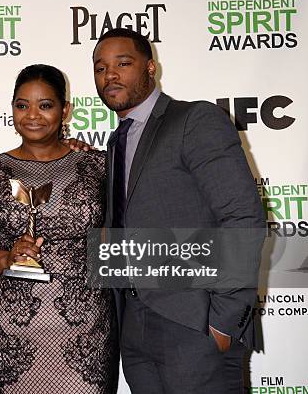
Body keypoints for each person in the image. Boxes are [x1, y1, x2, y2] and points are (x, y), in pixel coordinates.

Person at [93, 28, 265, 393]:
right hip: (134, 327)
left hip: (194, 325)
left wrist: (222, 322)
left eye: (123, 63)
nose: (110, 75)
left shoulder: (194, 120)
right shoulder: (116, 141)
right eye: (100, 67)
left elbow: (243, 218)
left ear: (150, 67)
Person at [0, 64, 119, 393]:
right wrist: (7, 258)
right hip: (8, 331)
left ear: (65, 110)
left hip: (86, 330)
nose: (32, 115)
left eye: (45, 105)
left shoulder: (100, 166)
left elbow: (122, 241)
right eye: (22, 105)